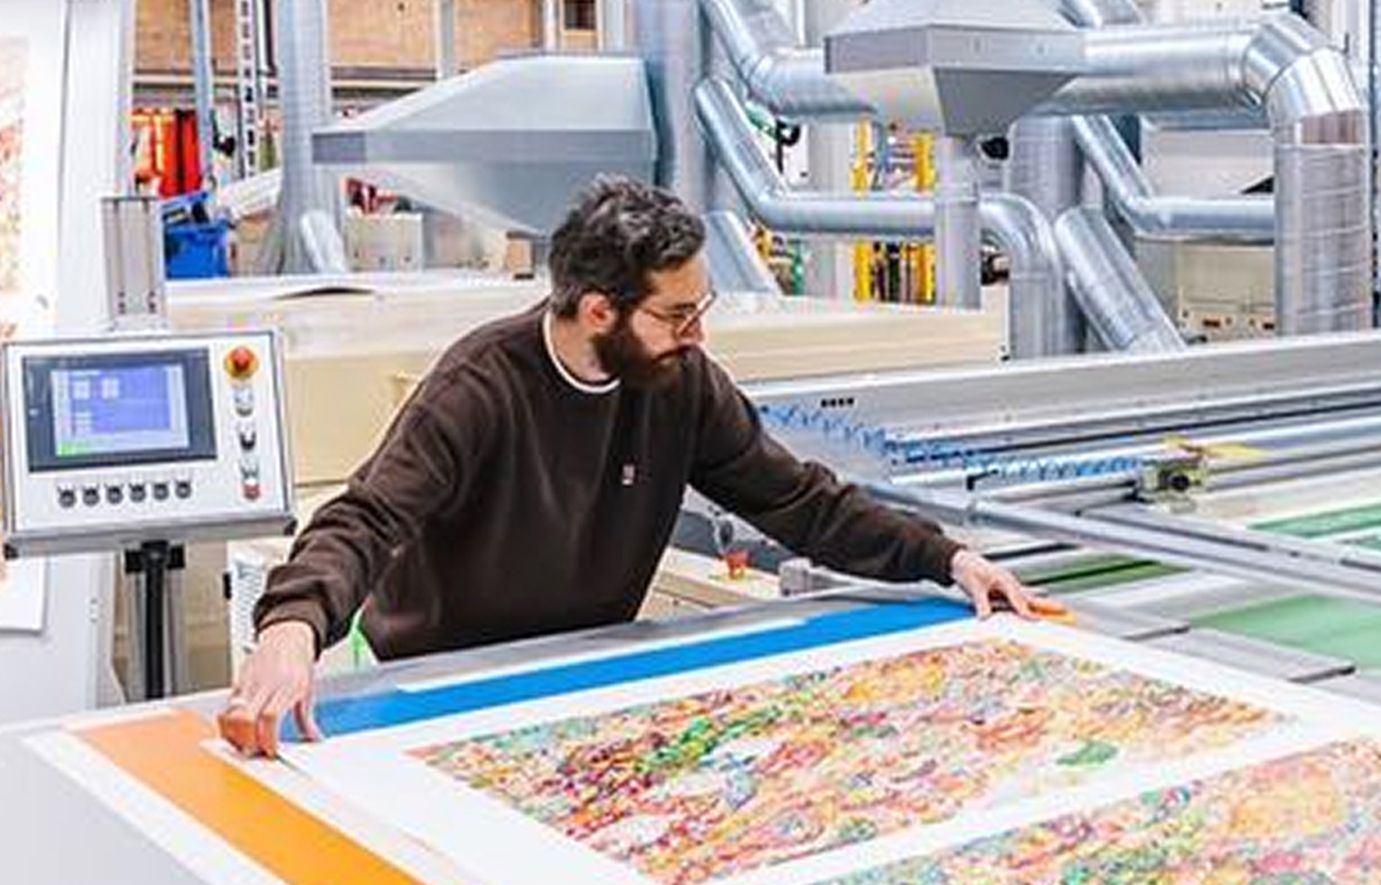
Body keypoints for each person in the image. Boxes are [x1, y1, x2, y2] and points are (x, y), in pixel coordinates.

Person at [219, 175, 1044, 757]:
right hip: (445, 689)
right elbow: (367, 517)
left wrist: (947, 557)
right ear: (598, 310)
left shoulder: (677, 384)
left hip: (595, 676)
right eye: (678, 315)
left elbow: (798, 502)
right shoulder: (480, 388)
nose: (698, 336)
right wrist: (292, 624)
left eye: (700, 310)